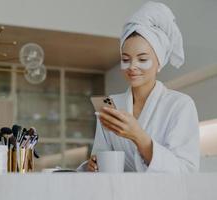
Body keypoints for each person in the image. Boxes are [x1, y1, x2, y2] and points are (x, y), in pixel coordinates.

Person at [84, 1, 200, 173]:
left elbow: (187, 172)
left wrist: (139, 136)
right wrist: (93, 164)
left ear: (159, 62)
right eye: (125, 59)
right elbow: (101, 155)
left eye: (143, 59)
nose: (132, 66)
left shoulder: (180, 105)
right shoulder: (111, 104)